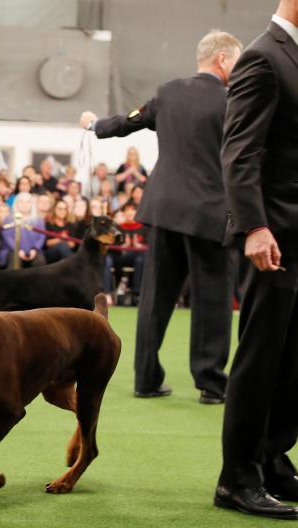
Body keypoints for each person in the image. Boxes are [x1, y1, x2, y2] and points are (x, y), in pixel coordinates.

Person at [80, 29, 242, 402]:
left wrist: (93, 124)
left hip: (164, 210)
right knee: (212, 300)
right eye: (238, 59)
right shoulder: (232, 100)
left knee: (155, 297)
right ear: (222, 59)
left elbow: (127, 122)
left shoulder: (169, 92)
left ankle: (146, 379)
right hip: (209, 213)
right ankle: (211, 383)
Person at [214, 1, 298, 520]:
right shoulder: (263, 57)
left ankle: (271, 458)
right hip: (274, 234)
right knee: (261, 357)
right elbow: (239, 150)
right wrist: (254, 226)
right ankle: (236, 477)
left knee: (292, 361)